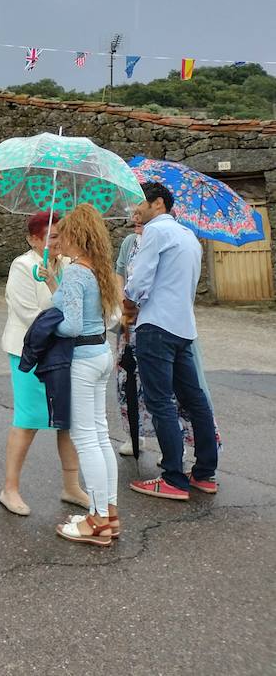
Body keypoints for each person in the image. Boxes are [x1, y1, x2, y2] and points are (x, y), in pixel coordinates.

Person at [124, 181, 218, 501]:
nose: (135, 210)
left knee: (161, 401)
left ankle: (173, 478)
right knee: (194, 401)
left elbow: (138, 283)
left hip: (155, 327)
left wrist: (128, 299)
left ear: (159, 204)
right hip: (183, 328)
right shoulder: (189, 236)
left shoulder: (155, 232)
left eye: (140, 203)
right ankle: (204, 472)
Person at [0, 212, 90, 516]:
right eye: (52, 237)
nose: (58, 241)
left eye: (60, 235)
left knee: (67, 421)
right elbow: (30, 314)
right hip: (31, 352)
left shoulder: (66, 265)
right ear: (33, 239)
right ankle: (9, 488)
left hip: (63, 352)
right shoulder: (22, 266)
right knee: (28, 420)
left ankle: (71, 486)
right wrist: (62, 306)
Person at [50, 204, 121, 546]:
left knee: (85, 438)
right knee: (101, 435)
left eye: (62, 233)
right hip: (101, 353)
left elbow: (72, 324)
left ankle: (96, 522)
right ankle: (109, 513)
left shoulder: (77, 271)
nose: (58, 239)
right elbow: (107, 319)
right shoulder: (99, 269)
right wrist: (54, 285)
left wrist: (48, 325)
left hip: (81, 358)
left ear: (75, 235)